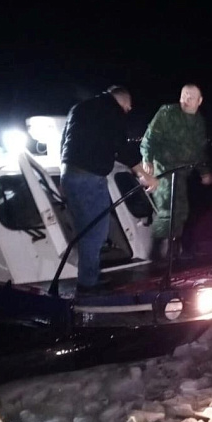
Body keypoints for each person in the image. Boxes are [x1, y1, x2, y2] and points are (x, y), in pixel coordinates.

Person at [60, 85, 159, 295]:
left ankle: (89, 275)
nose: (128, 111)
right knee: (96, 232)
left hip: (68, 175)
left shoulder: (79, 108)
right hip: (89, 179)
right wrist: (145, 175)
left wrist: (63, 178)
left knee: (84, 229)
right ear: (123, 102)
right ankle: (87, 284)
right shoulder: (112, 111)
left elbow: (64, 144)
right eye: (128, 108)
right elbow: (122, 148)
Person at [140, 84, 212, 259]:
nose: (186, 100)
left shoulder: (199, 122)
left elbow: (199, 151)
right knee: (167, 207)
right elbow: (149, 138)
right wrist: (147, 159)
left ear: (199, 101)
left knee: (182, 210)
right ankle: (156, 254)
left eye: (191, 97)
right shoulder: (167, 113)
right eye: (184, 96)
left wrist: (204, 171)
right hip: (163, 168)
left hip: (182, 172)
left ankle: (174, 251)